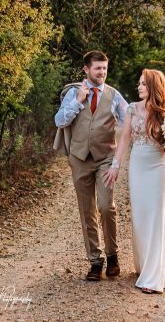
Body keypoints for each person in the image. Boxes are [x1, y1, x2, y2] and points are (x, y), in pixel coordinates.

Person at [103, 68, 165, 293]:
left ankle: (154, 276)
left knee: (157, 216)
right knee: (140, 217)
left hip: (159, 167)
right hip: (138, 167)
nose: (139, 87)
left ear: (153, 87)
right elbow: (125, 139)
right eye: (139, 83)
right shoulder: (131, 109)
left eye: (143, 84)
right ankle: (147, 264)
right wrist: (115, 166)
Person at [54, 50, 129, 281]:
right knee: (87, 210)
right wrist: (78, 102)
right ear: (86, 69)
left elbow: (130, 122)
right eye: (98, 68)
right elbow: (60, 120)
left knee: (107, 206)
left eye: (105, 68)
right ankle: (95, 262)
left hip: (106, 157)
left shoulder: (114, 95)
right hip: (80, 158)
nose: (102, 72)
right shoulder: (74, 93)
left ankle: (112, 255)